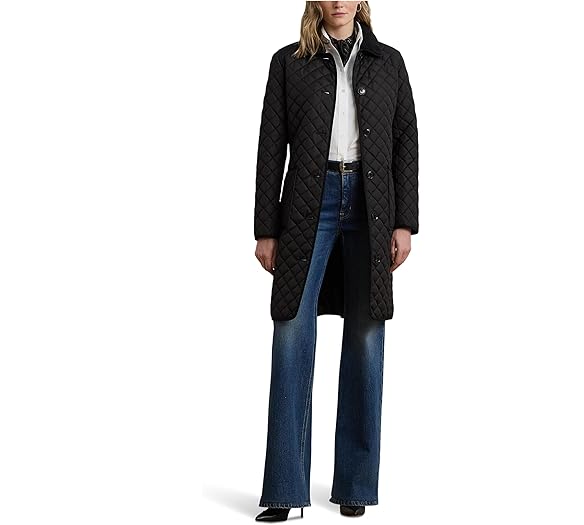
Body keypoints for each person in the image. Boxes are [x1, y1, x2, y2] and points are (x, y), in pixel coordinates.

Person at [253, 1, 418, 521]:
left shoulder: (389, 62)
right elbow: (270, 147)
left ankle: (355, 485)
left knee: (367, 338)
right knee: (291, 334)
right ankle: (284, 490)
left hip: (372, 205)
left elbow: (405, 142)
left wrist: (404, 222)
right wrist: (265, 228)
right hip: (309, 203)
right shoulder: (288, 62)